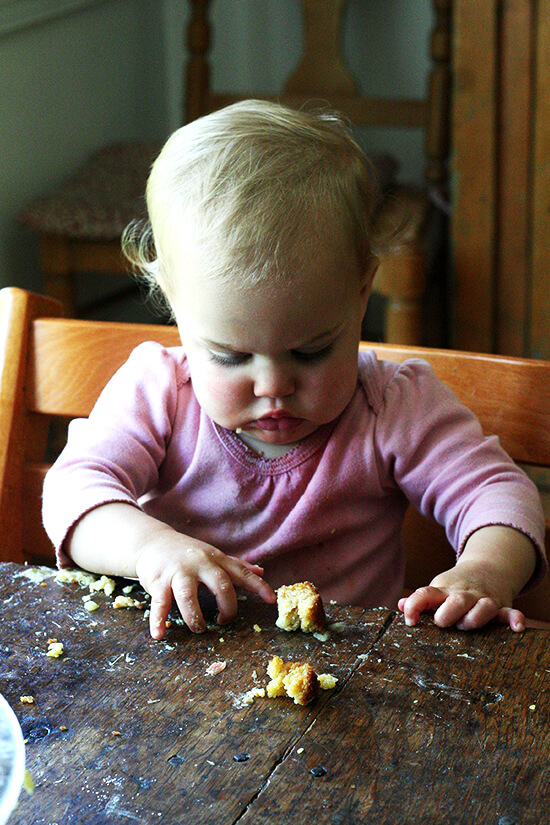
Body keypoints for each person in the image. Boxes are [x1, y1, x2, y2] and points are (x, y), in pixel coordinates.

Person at [42, 100, 546, 640]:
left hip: (351, 677)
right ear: (174, 304)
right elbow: (74, 492)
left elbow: (498, 494)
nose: (272, 386)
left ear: (359, 295)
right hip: (174, 666)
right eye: (231, 356)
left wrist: (485, 570)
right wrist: (150, 548)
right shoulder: (159, 391)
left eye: (310, 352)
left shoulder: (392, 406)